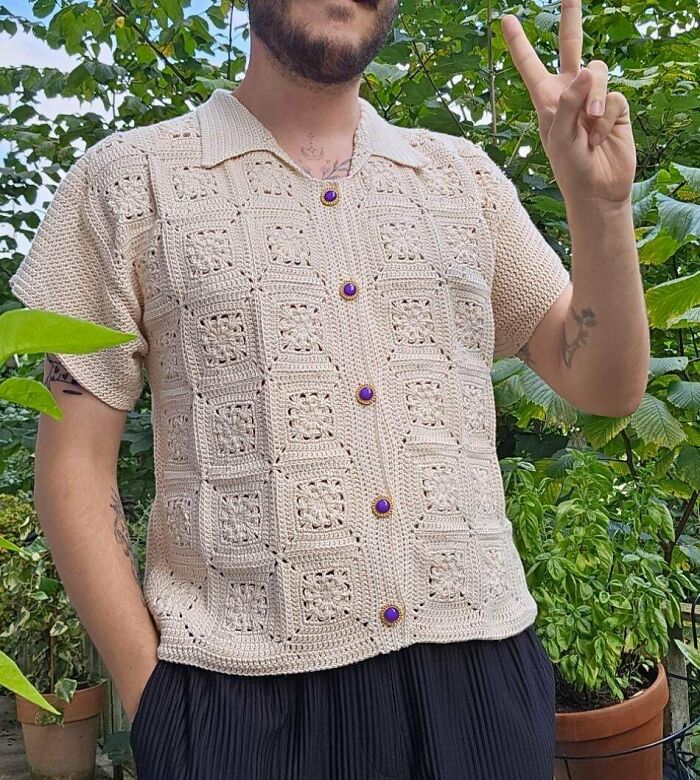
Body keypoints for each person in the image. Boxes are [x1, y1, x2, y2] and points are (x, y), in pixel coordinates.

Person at [10, 0, 645, 778]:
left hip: (481, 686)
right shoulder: (126, 184)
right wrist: (159, 703)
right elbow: (74, 464)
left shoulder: (462, 179)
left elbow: (606, 384)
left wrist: (601, 205)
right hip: (236, 704)